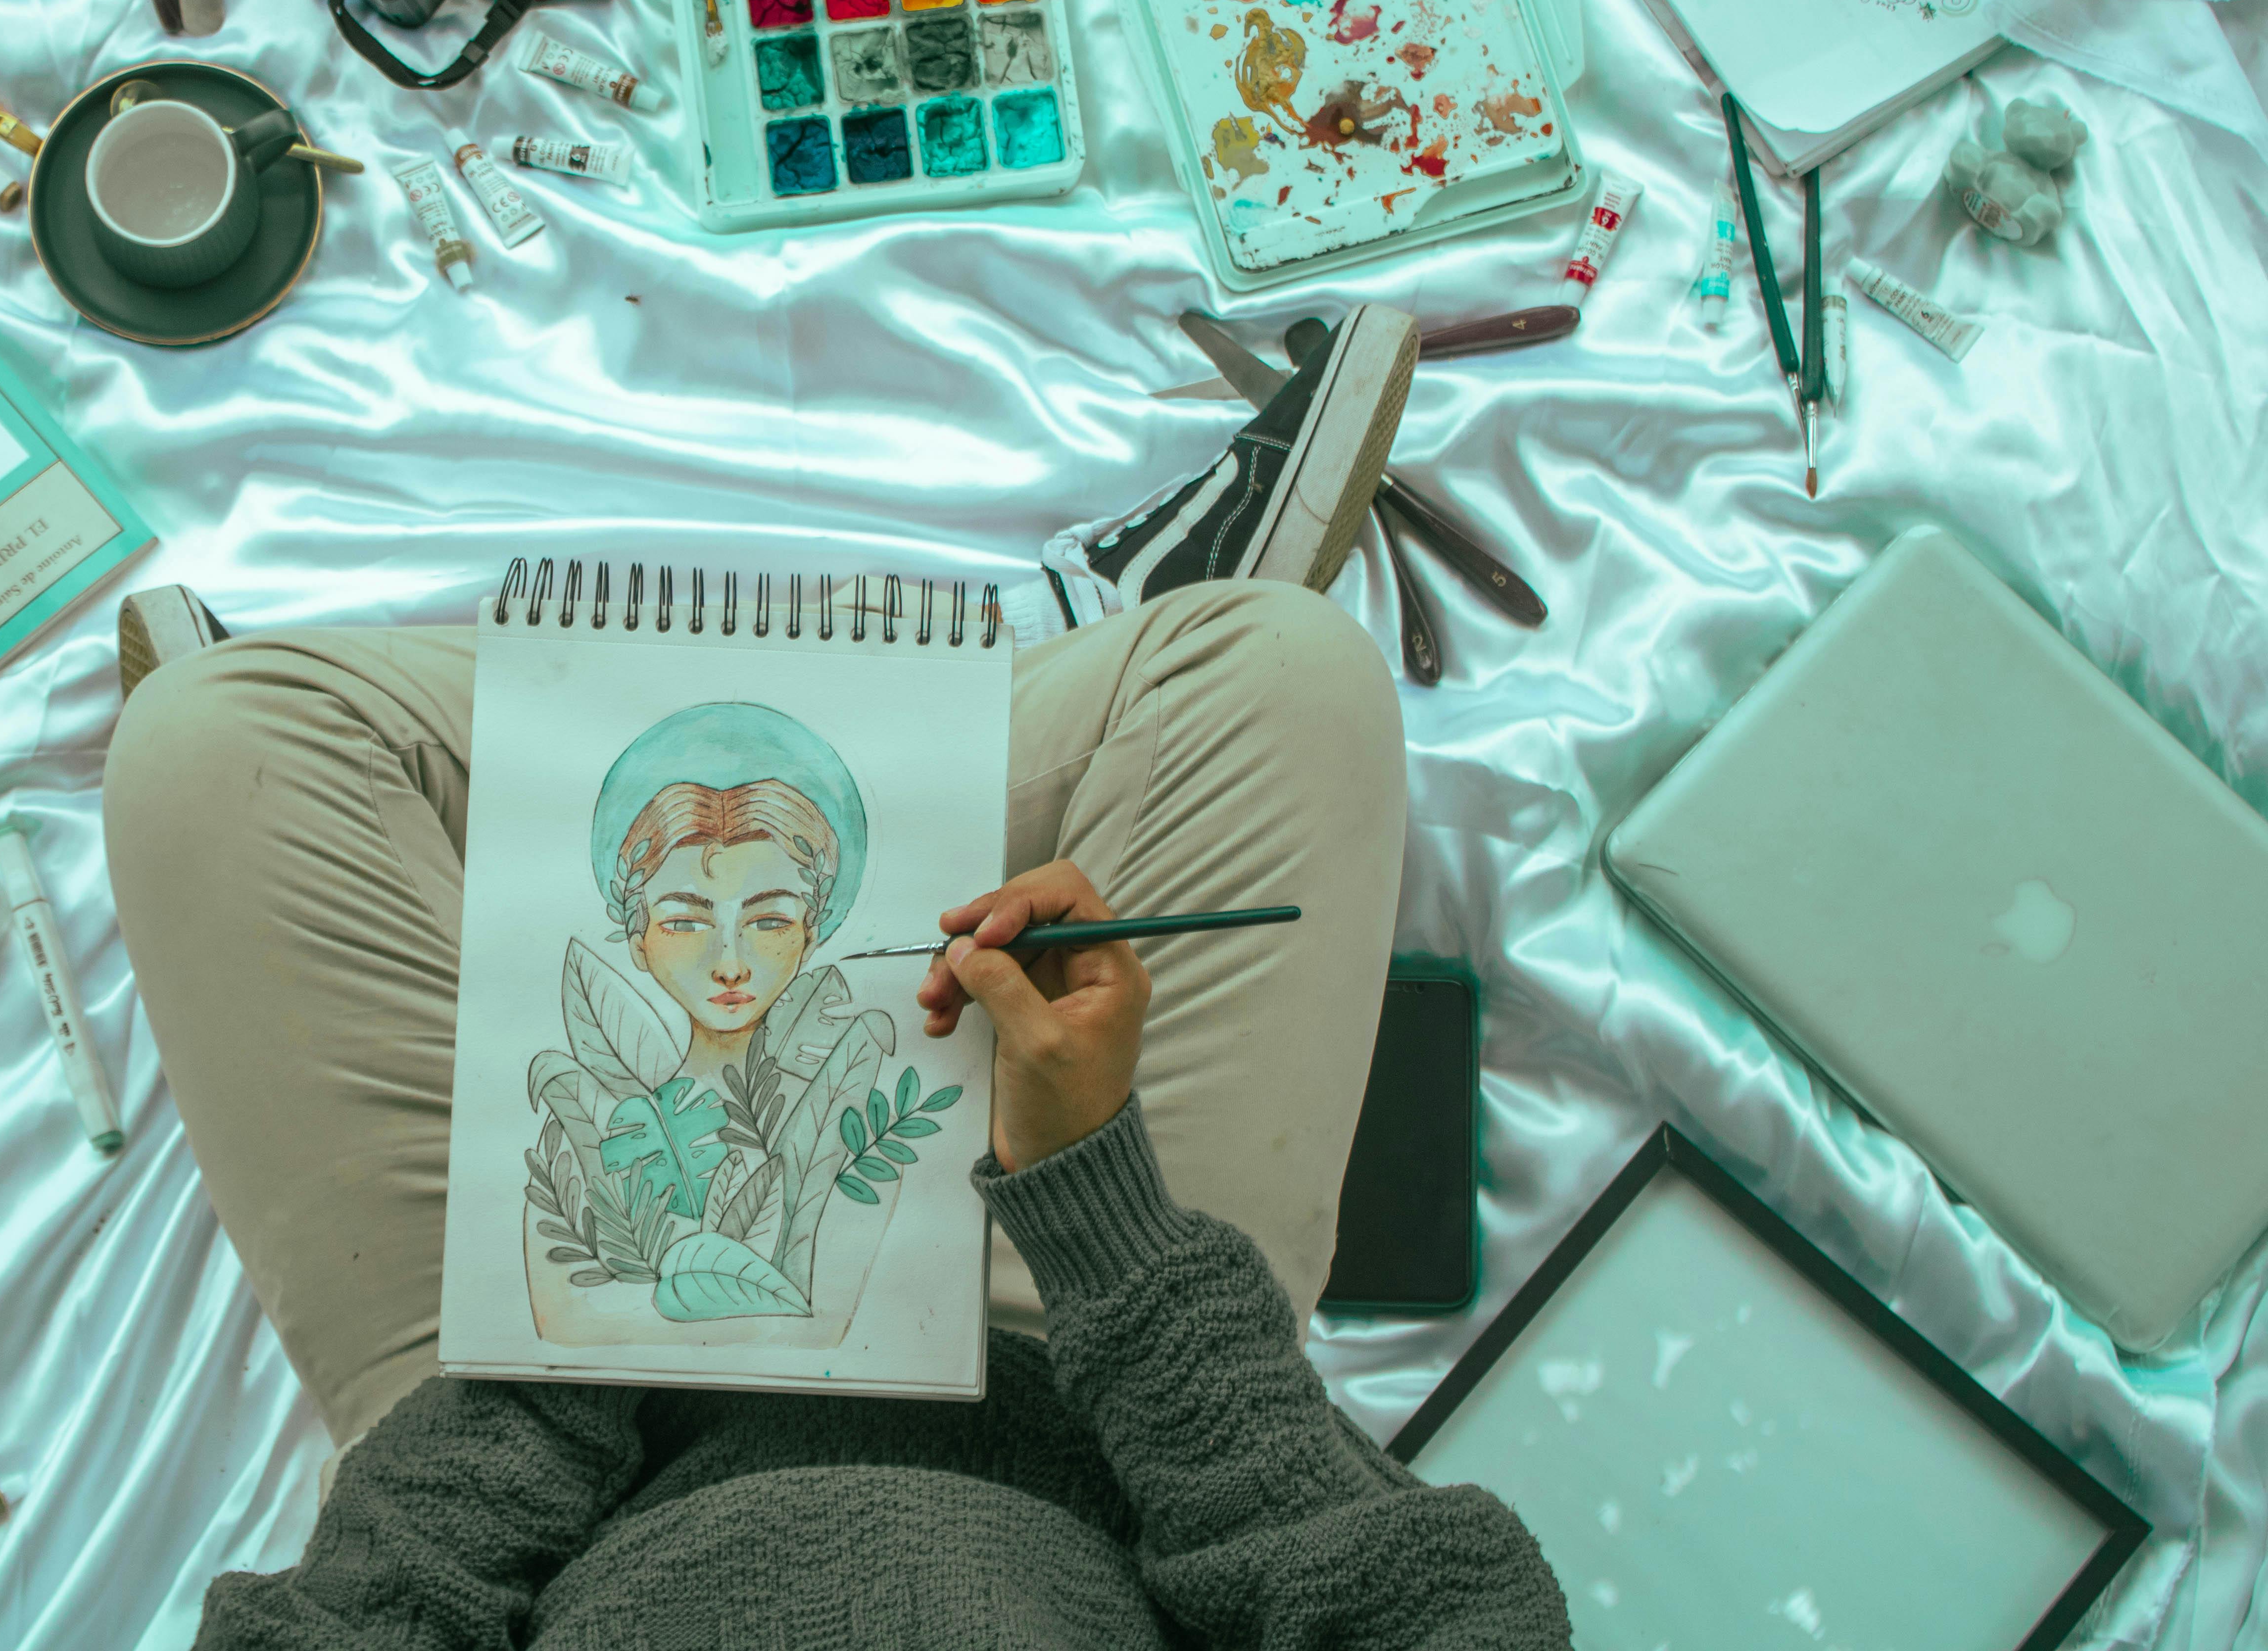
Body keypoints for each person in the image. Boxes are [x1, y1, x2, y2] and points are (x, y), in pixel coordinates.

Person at [103, 574, 1571, 1648]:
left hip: (545, 1438)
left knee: (207, 746)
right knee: (1284, 669)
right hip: (1075, 1374)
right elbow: (1395, 1589)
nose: (734, 965)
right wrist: (1105, 1221)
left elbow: (350, 1627)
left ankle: (473, 857)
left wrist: (593, 1308)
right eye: (684, 916)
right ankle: (1010, 710)